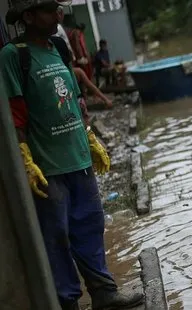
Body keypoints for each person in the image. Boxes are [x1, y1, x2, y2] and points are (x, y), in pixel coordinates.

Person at [0, 1, 143, 309]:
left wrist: (89, 137)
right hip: (47, 167)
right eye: (50, 10)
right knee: (57, 237)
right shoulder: (14, 56)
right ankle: (68, 302)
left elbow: (76, 101)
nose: (58, 15)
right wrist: (24, 158)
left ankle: (104, 292)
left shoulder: (57, 48)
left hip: (78, 160)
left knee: (90, 226)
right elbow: (15, 113)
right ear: (28, 17)